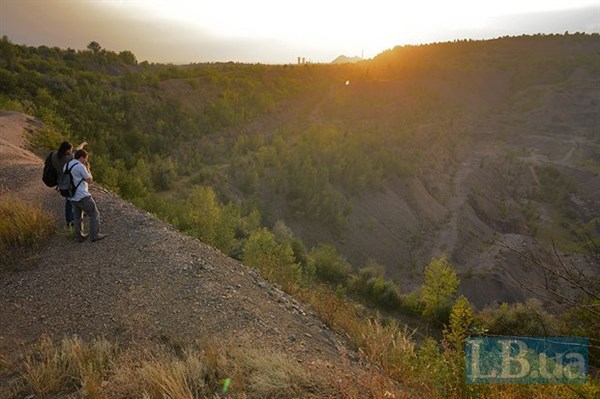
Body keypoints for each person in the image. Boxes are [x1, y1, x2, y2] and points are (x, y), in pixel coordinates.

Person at [65, 149, 106, 243]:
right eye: (85, 158)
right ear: (81, 157)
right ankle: (94, 235)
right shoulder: (80, 166)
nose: (86, 161)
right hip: (82, 195)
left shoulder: (67, 165)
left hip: (72, 196)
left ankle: (79, 236)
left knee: (77, 216)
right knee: (94, 213)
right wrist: (88, 169)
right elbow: (89, 180)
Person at [51, 140, 87, 227]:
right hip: (69, 182)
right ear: (67, 150)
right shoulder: (69, 158)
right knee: (71, 199)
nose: (71, 151)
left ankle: (74, 215)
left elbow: (75, 152)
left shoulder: (54, 155)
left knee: (70, 198)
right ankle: (70, 220)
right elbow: (78, 153)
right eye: (70, 149)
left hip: (60, 181)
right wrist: (82, 145)